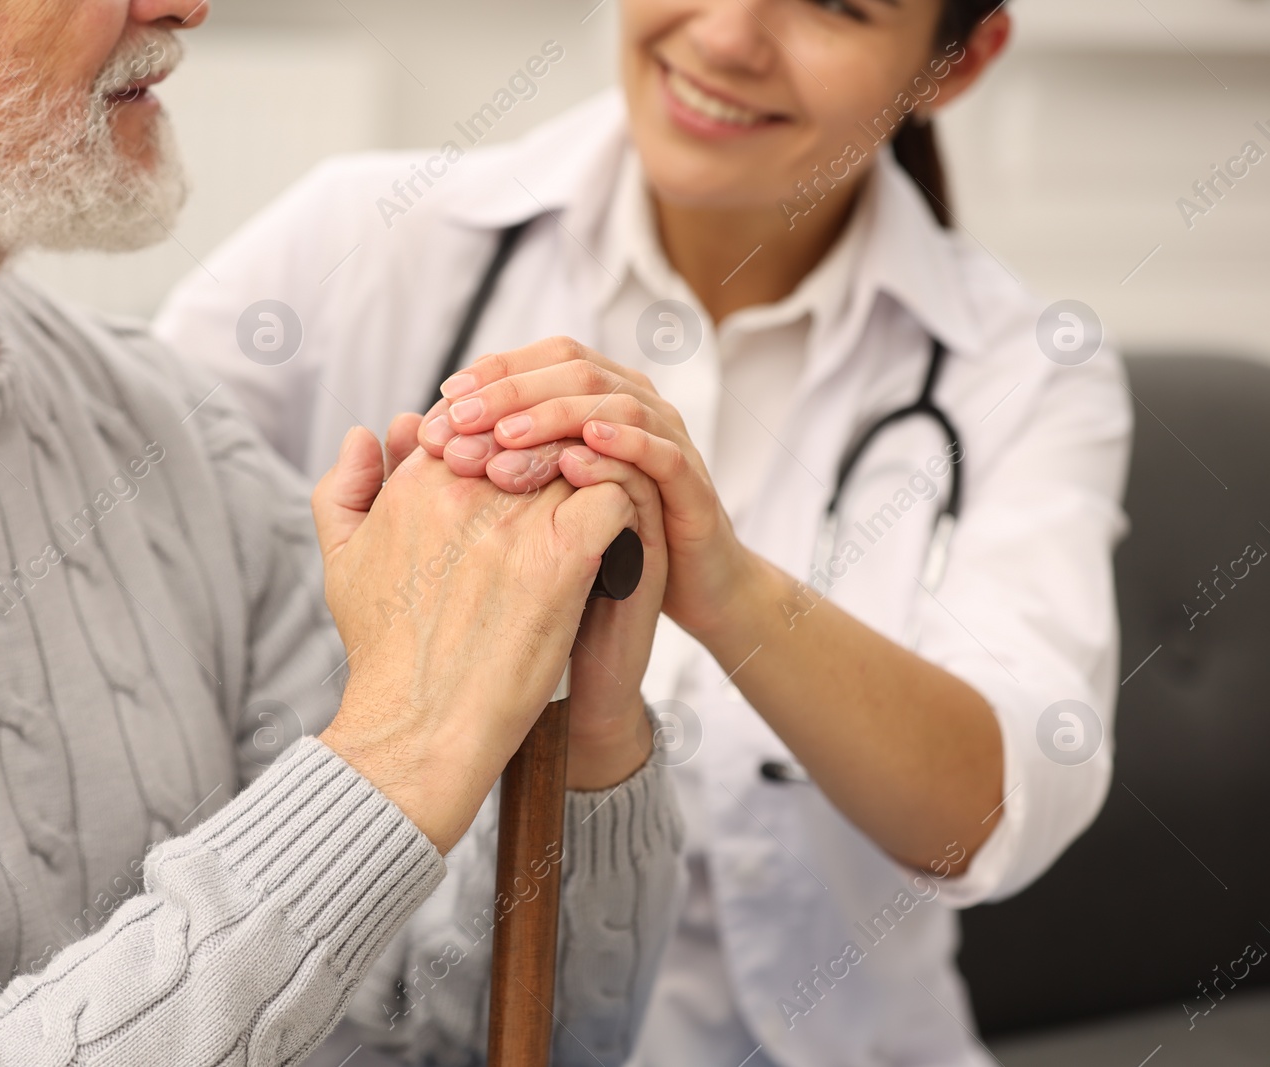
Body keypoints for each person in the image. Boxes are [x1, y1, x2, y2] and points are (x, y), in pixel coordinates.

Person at [0, 0, 687, 1062]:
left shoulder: (159, 425)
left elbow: (442, 1034)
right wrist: (396, 752)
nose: (185, 6)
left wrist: (579, 732)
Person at [155, 0, 1133, 1063]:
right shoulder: (358, 241)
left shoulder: (1026, 368)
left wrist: (732, 590)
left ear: (956, 61)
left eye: (837, 7)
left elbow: (1002, 799)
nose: (725, 37)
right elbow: (93, 524)